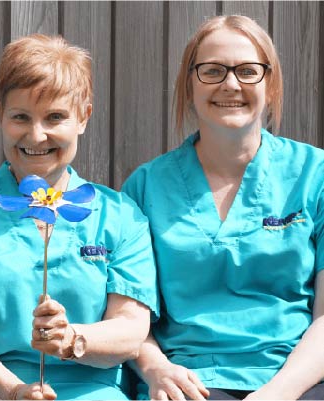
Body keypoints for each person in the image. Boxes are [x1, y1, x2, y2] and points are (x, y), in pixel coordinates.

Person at [0, 34, 158, 400]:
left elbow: (131, 328)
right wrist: (13, 391)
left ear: (83, 117)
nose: (36, 135)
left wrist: (70, 338)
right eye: (20, 117)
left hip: (91, 390)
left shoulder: (119, 215)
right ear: (0, 115)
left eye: (55, 117)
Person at [123, 15, 324, 400]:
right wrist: (156, 369)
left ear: (271, 84)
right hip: (189, 381)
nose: (230, 84)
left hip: (298, 379)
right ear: (189, 84)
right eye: (212, 70)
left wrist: (276, 393)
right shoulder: (146, 187)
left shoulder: (315, 175)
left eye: (248, 71)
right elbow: (130, 318)